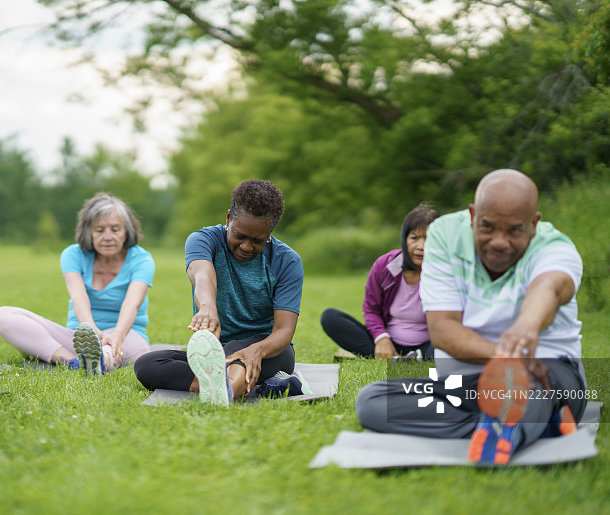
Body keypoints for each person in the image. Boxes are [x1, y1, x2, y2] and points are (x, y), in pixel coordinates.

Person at [356, 169, 588, 465]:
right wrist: (507, 357)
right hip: (467, 383)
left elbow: (550, 287)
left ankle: (516, 420)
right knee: (373, 401)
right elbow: (443, 330)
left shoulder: (555, 247)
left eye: (514, 230)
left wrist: (527, 326)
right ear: (472, 216)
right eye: (487, 227)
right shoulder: (445, 236)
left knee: (529, 388)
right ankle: (528, 425)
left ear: (533, 225)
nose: (499, 241)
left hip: (545, 373)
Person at [134, 179, 306, 406]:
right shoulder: (204, 240)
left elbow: (284, 331)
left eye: (258, 240)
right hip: (217, 352)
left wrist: (257, 350)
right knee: (147, 364)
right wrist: (207, 307)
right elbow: (202, 275)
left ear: (270, 232)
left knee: (235, 350)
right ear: (228, 218)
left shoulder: (287, 261)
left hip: (269, 352)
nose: (246, 246)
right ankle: (243, 387)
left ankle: (226, 391)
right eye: (240, 236)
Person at [0, 193, 154, 375]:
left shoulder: (142, 259)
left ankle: (102, 361)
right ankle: (73, 361)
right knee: (3, 316)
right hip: (82, 337)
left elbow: (132, 303)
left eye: (115, 230)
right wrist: (91, 330)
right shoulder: (73, 255)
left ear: (126, 232)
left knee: (111, 347)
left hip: (126, 335)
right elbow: (78, 297)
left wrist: (117, 335)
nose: (108, 237)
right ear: (88, 232)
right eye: (99, 230)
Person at [321, 204, 439, 361]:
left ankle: (409, 358)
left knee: (450, 345)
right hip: (387, 341)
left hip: (430, 344)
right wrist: (382, 338)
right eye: (414, 238)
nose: (421, 246)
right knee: (330, 317)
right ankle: (395, 356)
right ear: (404, 239)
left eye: (429, 239)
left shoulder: (446, 272)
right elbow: (371, 310)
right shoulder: (385, 266)